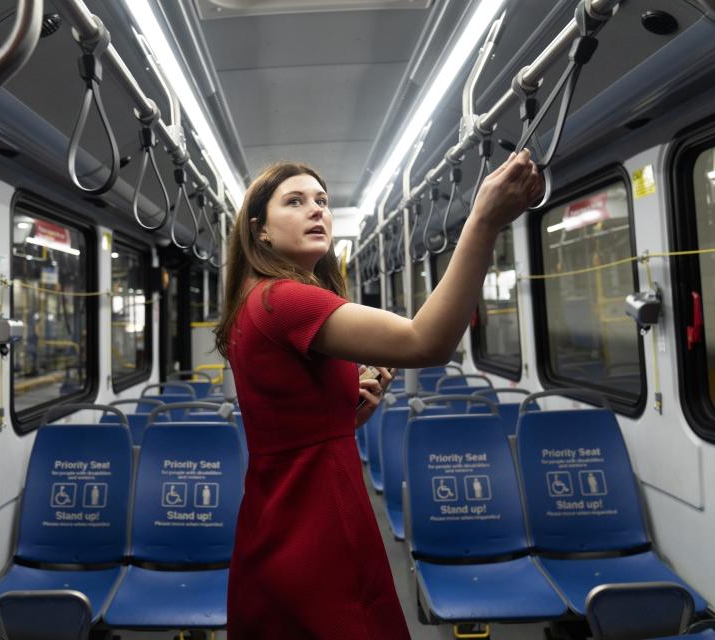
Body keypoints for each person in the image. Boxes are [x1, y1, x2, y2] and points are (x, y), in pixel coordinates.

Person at [215, 150, 543, 638]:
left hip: (278, 513)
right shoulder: (285, 299)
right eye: (295, 201)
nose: (316, 209)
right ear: (260, 230)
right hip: (318, 521)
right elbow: (426, 343)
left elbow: (289, 428)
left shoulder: (253, 300)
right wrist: (483, 219)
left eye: (322, 200)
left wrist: (345, 419)